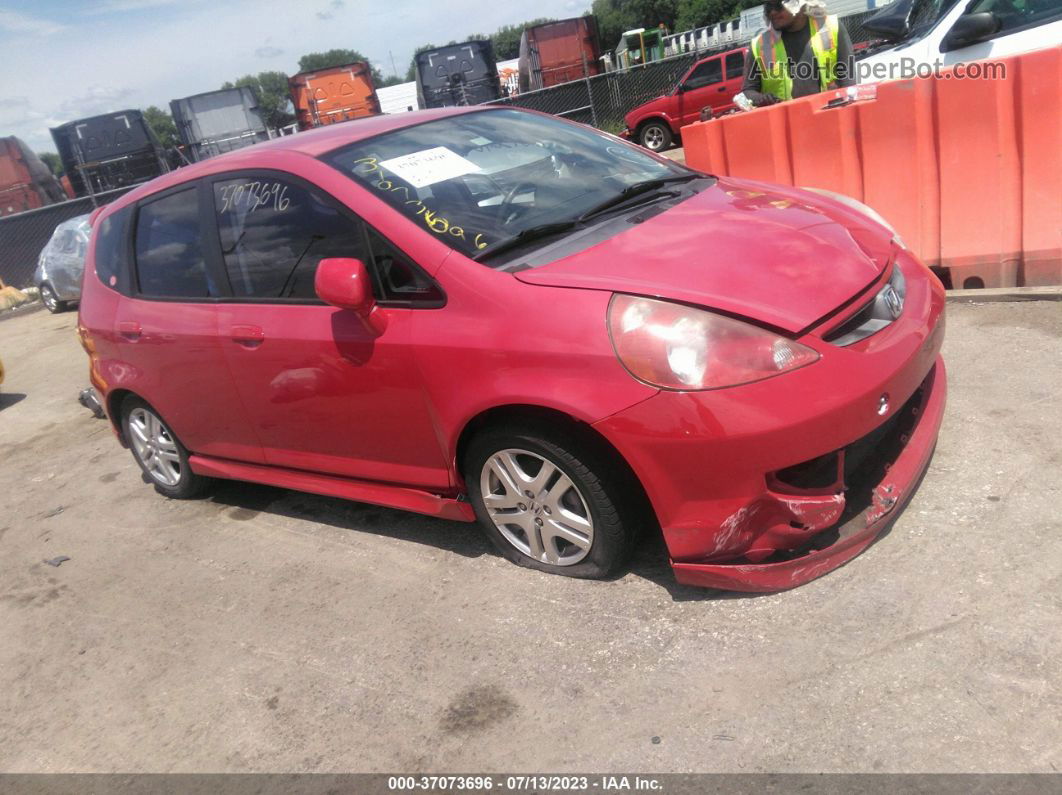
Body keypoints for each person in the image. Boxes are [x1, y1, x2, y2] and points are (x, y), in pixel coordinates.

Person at [740, 0, 856, 107]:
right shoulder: (759, 45)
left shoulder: (831, 27)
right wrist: (761, 99)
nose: (772, 12)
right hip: (785, 125)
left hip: (828, 117)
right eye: (768, 7)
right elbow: (747, 91)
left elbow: (849, 81)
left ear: (798, 4)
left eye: (778, 6)